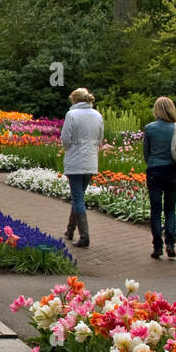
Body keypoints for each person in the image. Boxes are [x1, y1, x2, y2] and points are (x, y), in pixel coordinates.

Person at [61, 87, 104, 248]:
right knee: (78, 196)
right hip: (91, 161)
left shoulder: (72, 114)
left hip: (75, 161)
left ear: (75, 100)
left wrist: (70, 148)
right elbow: (100, 137)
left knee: (78, 198)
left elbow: (65, 139)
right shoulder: (97, 115)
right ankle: (70, 230)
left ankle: (84, 235)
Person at [143, 96, 176, 259]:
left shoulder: (150, 128)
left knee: (156, 210)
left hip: (155, 171)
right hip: (172, 170)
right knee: (171, 208)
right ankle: (171, 244)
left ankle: (157, 247)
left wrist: (153, 162)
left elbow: (146, 152)